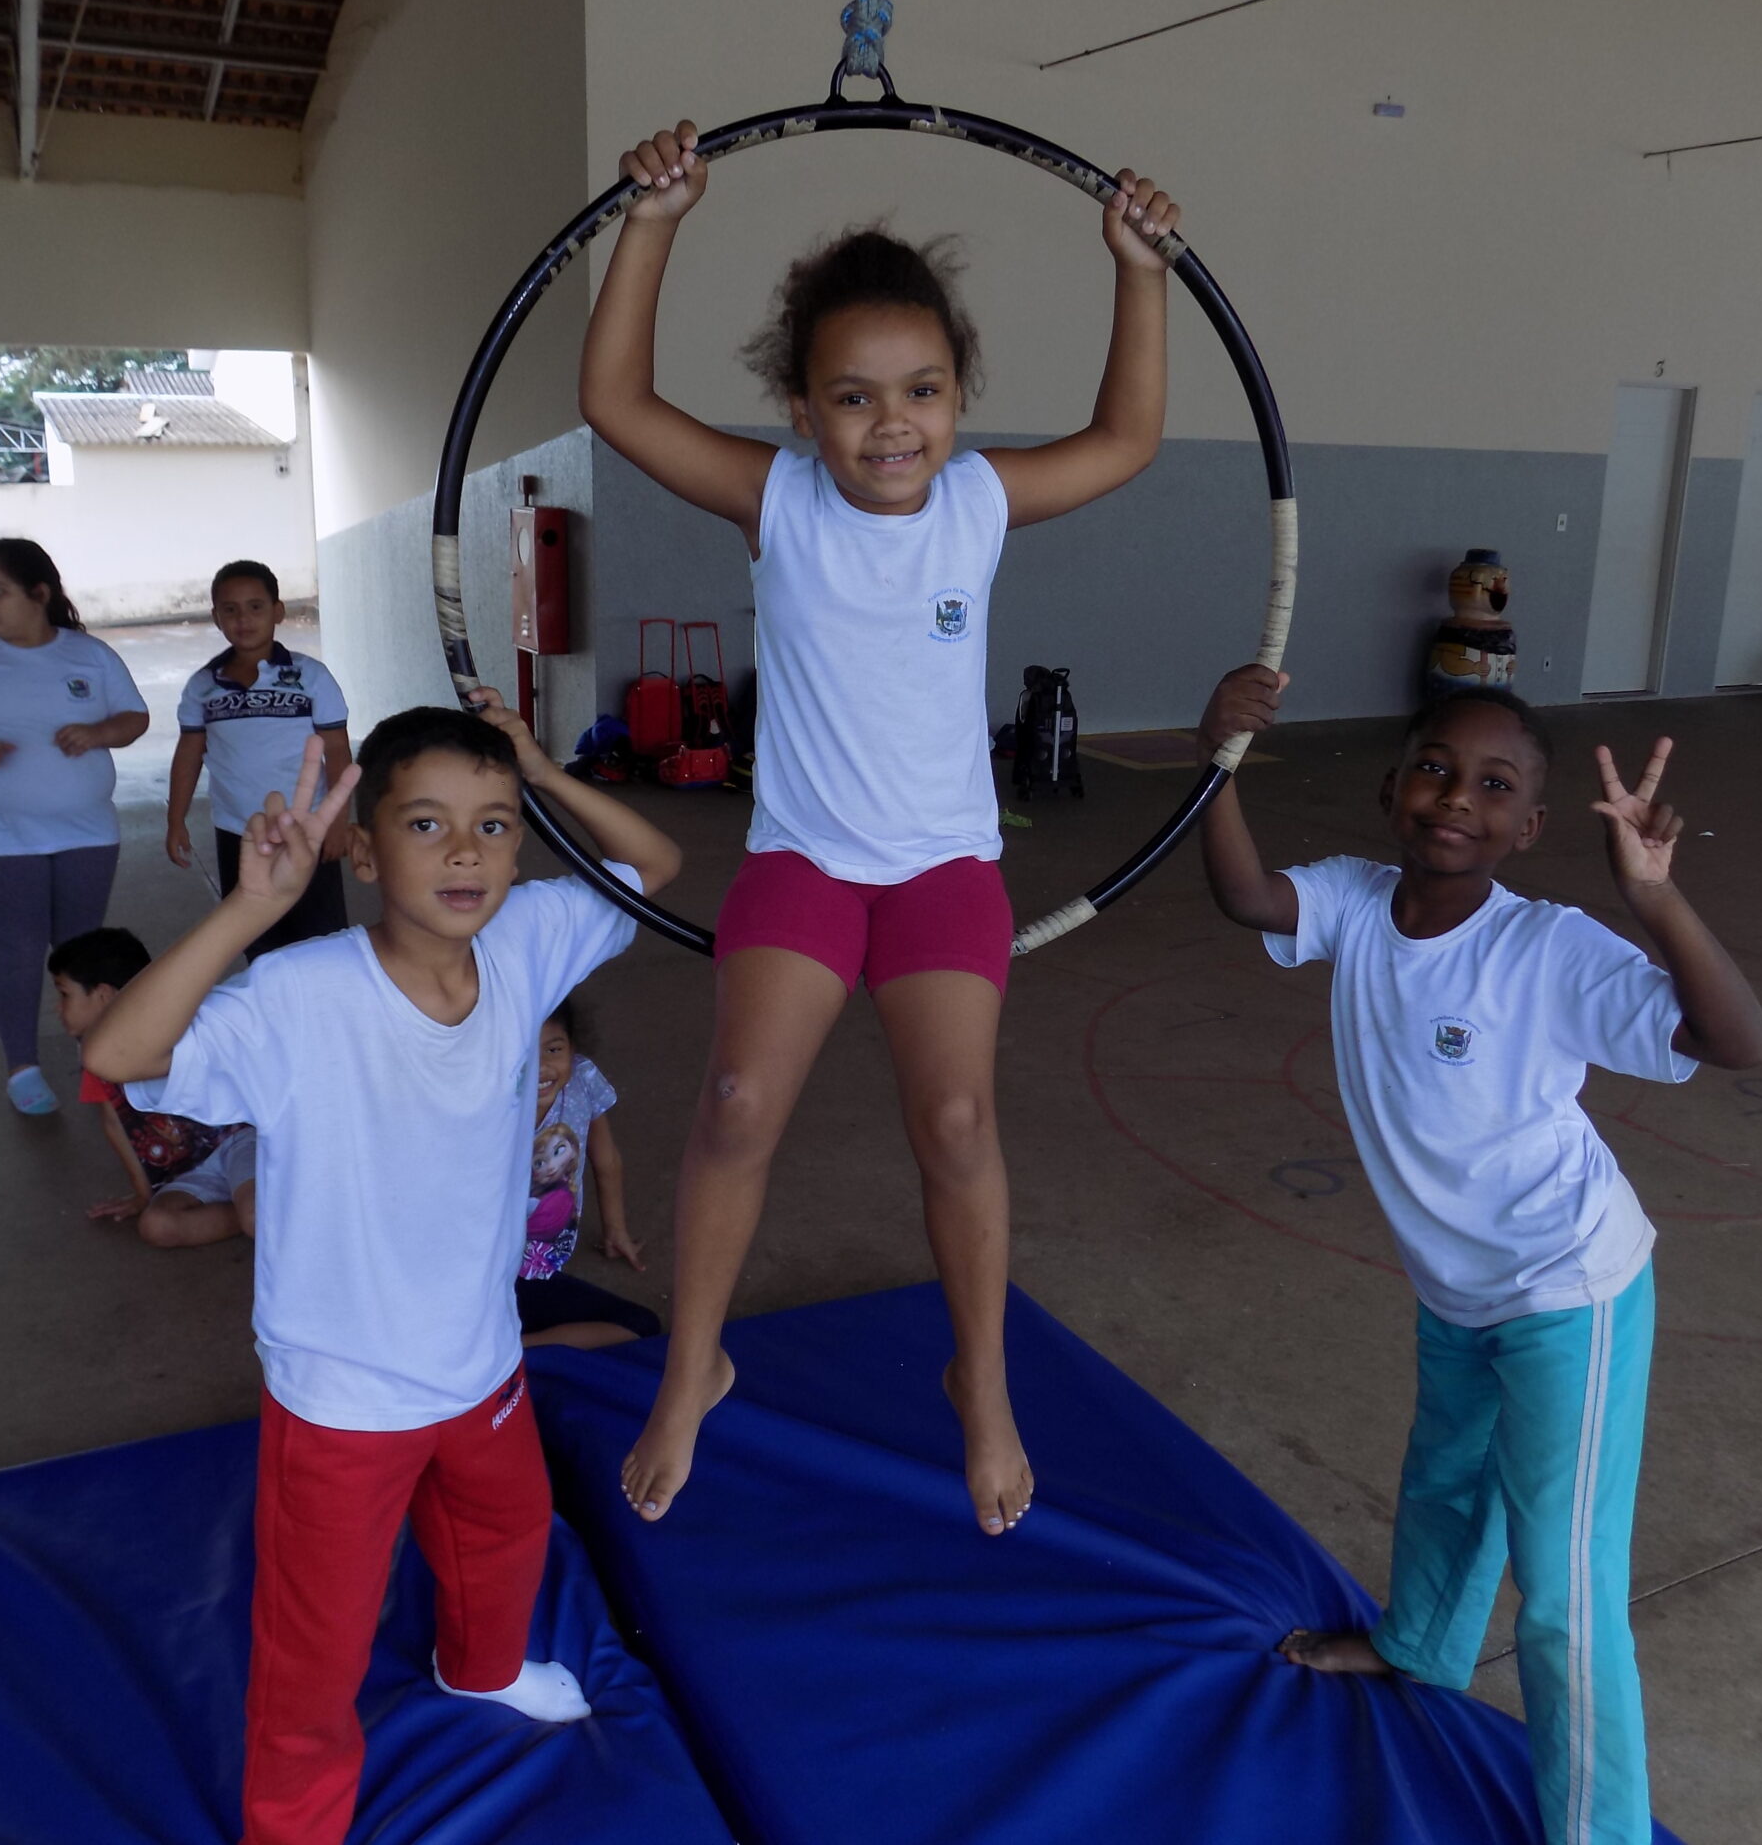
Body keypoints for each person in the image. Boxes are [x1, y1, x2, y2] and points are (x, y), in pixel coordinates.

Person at [581, 118, 1185, 1536]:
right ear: (801, 411)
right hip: (804, 860)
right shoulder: (777, 499)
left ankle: (981, 1378)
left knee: (959, 1121)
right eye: (851, 398)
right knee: (736, 1103)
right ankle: (694, 1363)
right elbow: (613, 400)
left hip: (941, 870)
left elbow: (1127, 440)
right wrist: (654, 221)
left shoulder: (976, 501)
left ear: (961, 395)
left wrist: (1139, 271)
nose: (891, 423)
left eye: (921, 391)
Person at [81, 697, 681, 1845]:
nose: (465, 852)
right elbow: (118, 1054)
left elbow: (653, 864)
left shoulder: (531, 938)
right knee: (316, 1645)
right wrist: (251, 908)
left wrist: (545, 773)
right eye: (424, 824)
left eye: (493, 826)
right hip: (344, 1391)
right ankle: (294, 1829)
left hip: (480, 1354)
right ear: (359, 852)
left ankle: (480, 1669)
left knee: (506, 1531)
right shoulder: (299, 996)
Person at [1193, 667, 1762, 1845]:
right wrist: (1219, 758)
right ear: (1389, 787)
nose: (1457, 797)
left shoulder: (1545, 948)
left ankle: (1597, 1833)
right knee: (1446, 1482)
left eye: (1494, 785)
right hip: (1454, 1286)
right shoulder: (1352, 902)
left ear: (1531, 826)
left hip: (1569, 1288)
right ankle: (1419, 1647)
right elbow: (1247, 894)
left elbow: (1737, 1040)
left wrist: (1654, 896)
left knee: (1562, 1589)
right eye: (1434, 768)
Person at [0, 537, 150, 1115]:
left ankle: (96, 1056)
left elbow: (134, 718)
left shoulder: (90, 656)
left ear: (39, 593)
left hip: (88, 832)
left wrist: (97, 734)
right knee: (19, 949)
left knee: (80, 951)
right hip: (2, 835)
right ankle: (22, 1068)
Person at [167, 560, 354, 957]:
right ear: (216, 617)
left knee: (321, 938)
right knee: (255, 937)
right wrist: (175, 819)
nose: (243, 619)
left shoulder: (311, 676)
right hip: (238, 831)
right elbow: (189, 752)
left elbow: (337, 749)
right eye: (230, 609)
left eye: (255, 607)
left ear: (278, 611)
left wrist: (338, 822)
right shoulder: (202, 686)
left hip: (307, 827)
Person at [47, 926, 256, 1247]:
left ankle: (256, 1210)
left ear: (103, 995)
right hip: (188, 1173)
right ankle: (256, 1210)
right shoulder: (95, 1059)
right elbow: (114, 1124)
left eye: (64, 994)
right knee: (157, 1226)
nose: (57, 1008)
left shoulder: (172, 1027)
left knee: (254, 1214)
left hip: (240, 1142)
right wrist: (143, 1195)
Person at [518, 1000, 658, 1349]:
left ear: (573, 1047)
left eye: (554, 1049)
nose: (541, 1066)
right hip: (483, 1267)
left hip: (542, 1259)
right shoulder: (484, 1102)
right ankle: (503, 1351)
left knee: (640, 1327)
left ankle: (514, 1347)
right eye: (522, 1053)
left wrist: (616, 1230)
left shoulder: (581, 1081)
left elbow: (606, 1159)